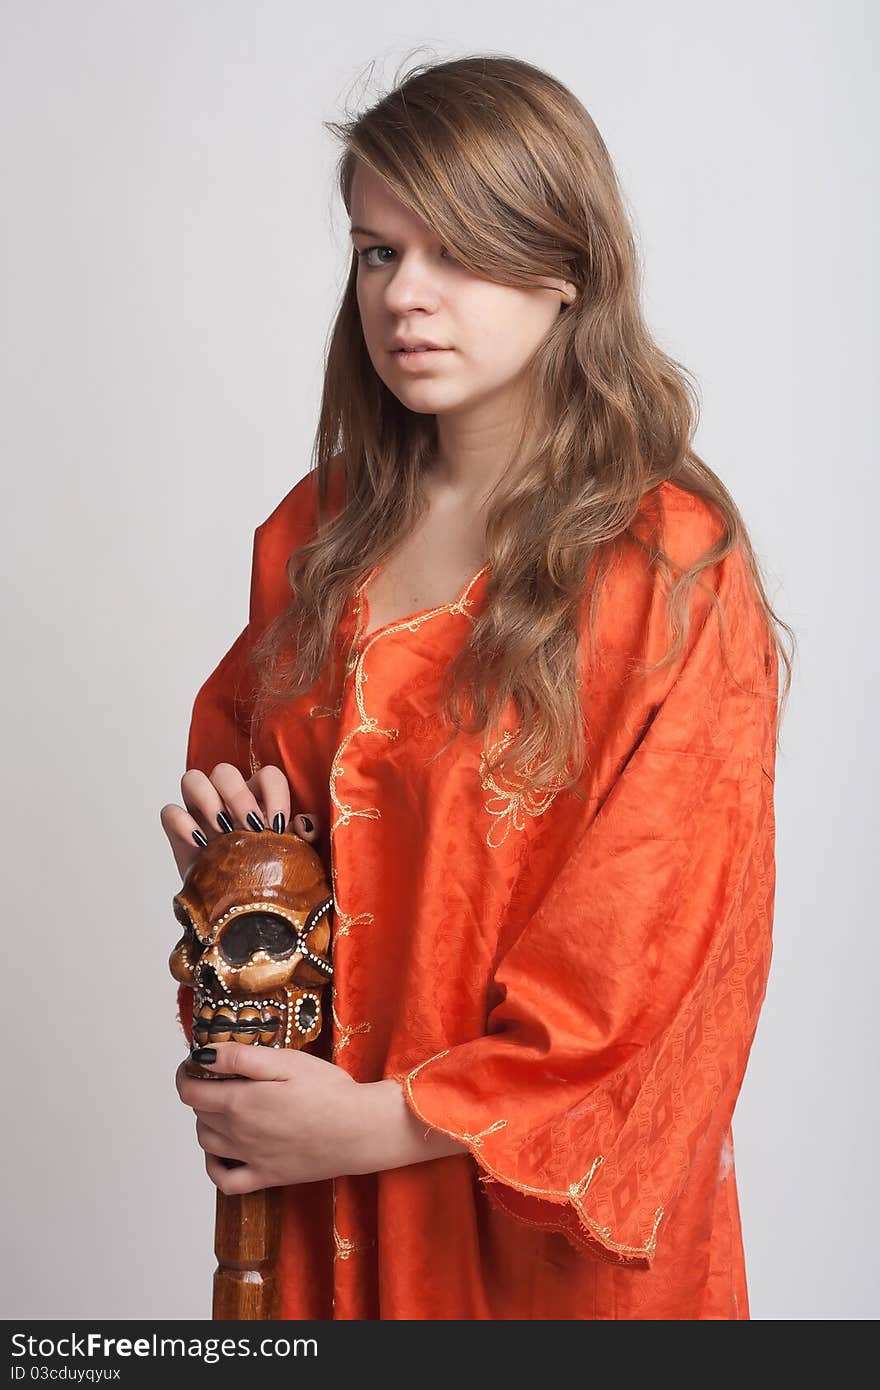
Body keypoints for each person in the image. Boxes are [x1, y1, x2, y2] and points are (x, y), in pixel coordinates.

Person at [161, 53, 793, 1320]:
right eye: (378, 252)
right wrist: (233, 904)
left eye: (459, 252)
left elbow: (647, 976)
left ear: (564, 270)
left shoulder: (664, 568)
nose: (408, 296)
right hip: (317, 1208)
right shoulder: (314, 539)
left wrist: (374, 1125)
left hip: (528, 1239)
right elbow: (262, 905)